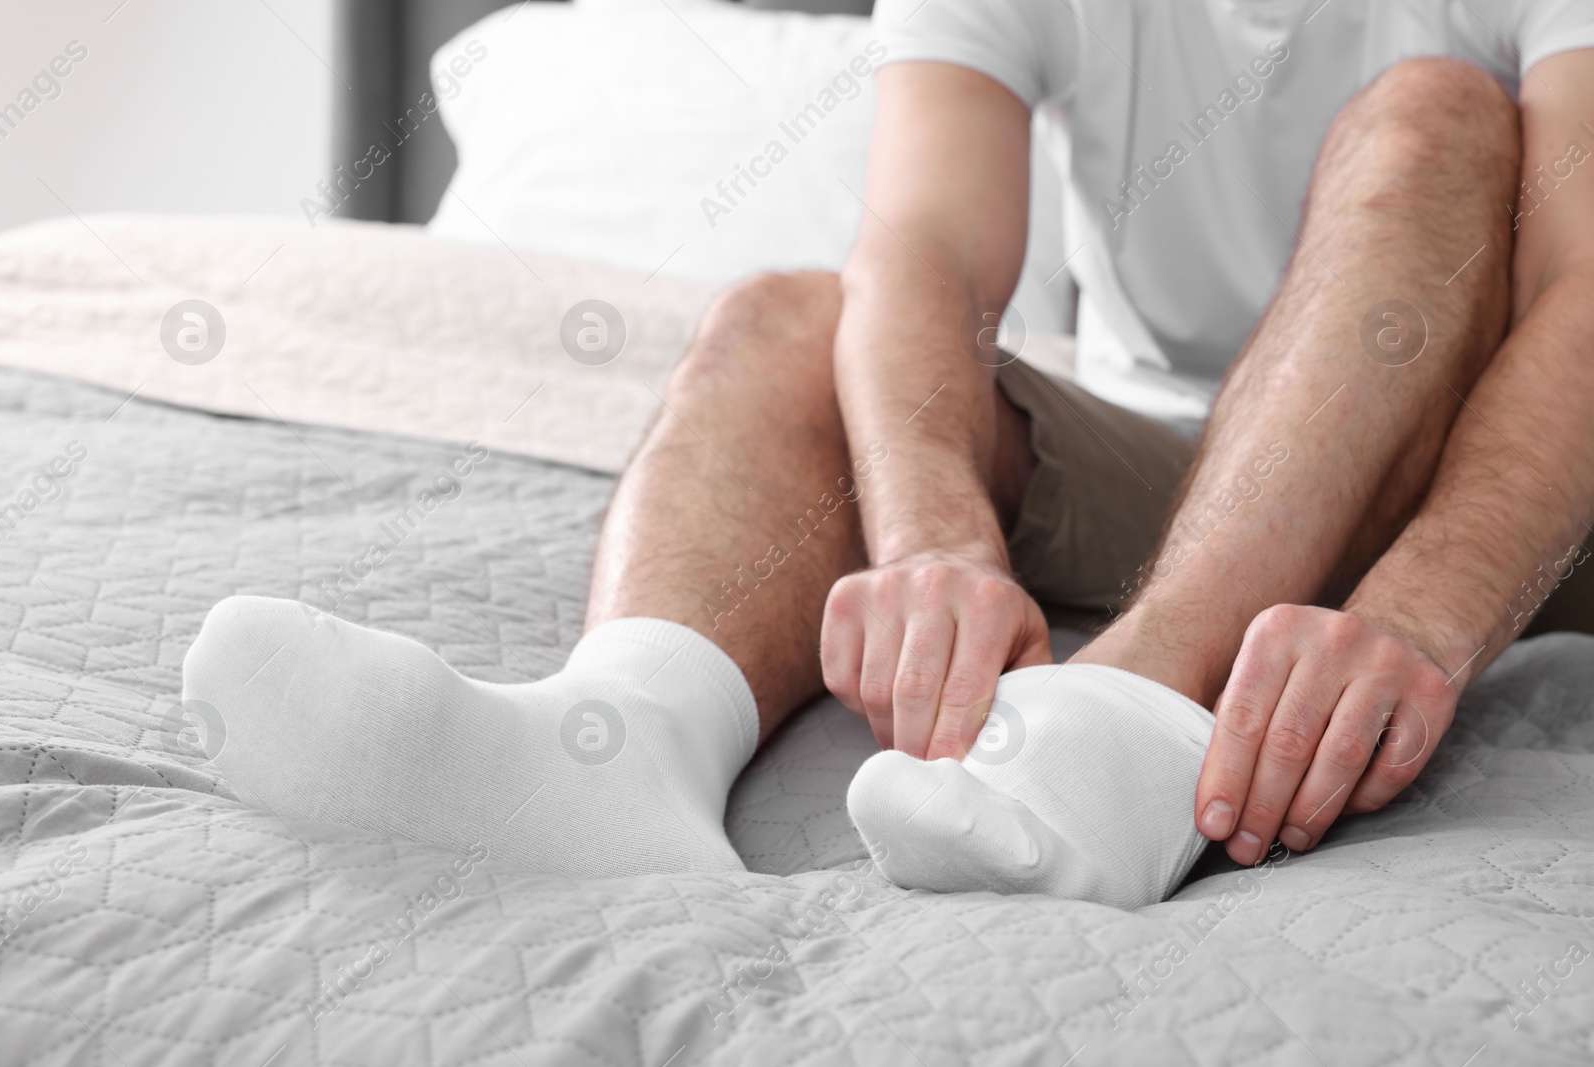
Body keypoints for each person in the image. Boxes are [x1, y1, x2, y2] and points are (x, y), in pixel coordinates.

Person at [183, 1, 1594, 908]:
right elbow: (922, 250)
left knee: (1436, 110)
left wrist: (1420, 614)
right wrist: (934, 547)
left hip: (1504, 473)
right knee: (790, 315)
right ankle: (614, 750)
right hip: (1187, 452)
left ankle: (1127, 709)